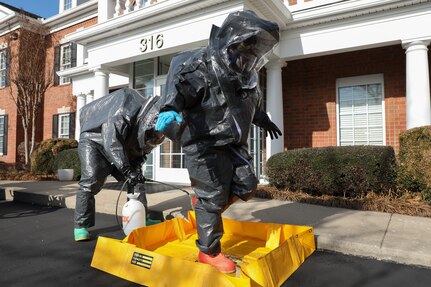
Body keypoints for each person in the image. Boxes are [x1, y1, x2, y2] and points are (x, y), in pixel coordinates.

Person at [155, 10, 282, 273]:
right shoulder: (199, 65)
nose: (248, 57)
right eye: (244, 50)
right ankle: (209, 251)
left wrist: (262, 119)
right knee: (212, 196)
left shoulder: (246, 74)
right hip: (202, 142)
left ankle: (203, 206)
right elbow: (179, 87)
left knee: (247, 185)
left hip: (232, 142)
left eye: (252, 53)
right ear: (231, 44)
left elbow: (248, 103)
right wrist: (170, 109)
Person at [74, 88, 165, 241]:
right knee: (91, 179)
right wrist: (127, 169)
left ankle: (141, 217)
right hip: (94, 141)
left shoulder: (151, 127)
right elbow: (112, 143)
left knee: (136, 181)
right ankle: (81, 225)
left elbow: (143, 149)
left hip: (122, 145)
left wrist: (135, 170)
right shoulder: (124, 108)